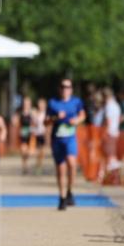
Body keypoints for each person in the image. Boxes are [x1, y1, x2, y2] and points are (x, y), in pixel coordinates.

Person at [46, 78, 85, 209]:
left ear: (71, 89)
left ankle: (70, 191)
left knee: (72, 163)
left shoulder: (76, 102)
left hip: (70, 138)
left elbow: (82, 115)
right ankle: (62, 198)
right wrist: (56, 117)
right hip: (57, 139)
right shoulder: (53, 103)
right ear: (59, 89)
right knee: (61, 169)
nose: (65, 89)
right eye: (63, 87)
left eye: (68, 87)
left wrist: (77, 121)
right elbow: (46, 122)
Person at [101, 87, 122, 184]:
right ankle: (115, 177)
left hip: (109, 133)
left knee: (110, 156)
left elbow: (108, 121)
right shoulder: (116, 105)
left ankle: (115, 177)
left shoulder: (109, 106)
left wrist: (105, 133)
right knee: (112, 155)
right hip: (115, 132)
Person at [17, 96, 35, 175]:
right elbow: (16, 122)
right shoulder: (20, 113)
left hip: (30, 134)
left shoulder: (32, 112)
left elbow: (36, 122)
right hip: (22, 134)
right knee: (23, 151)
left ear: (30, 104)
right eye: (25, 103)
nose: (26, 104)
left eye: (27, 103)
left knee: (28, 153)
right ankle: (25, 166)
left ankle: (26, 164)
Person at [31, 98, 48, 175]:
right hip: (37, 134)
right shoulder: (36, 113)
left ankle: (40, 165)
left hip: (44, 134)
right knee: (38, 151)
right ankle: (38, 165)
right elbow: (33, 124)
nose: (40, 106)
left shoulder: (46, 113)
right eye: (39, 104)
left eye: (42, 104)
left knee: (43, 151)